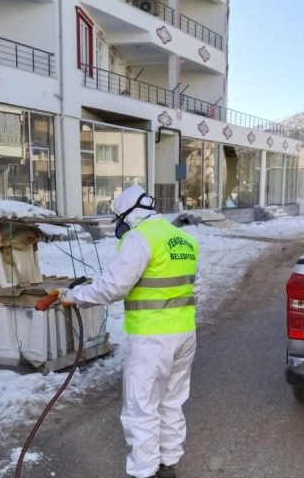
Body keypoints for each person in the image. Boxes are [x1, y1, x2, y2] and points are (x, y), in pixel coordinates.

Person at [57, 184, 200, 478]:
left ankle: (144, 472)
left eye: (119, 221)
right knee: (171, 401)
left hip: (152, 337)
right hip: (185, 332)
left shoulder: (140, 237)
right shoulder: (183, 239)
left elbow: (114, 286)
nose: (118, 228)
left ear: (129, 215)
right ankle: (168, 464)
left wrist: (76, 296)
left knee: (141, 405)